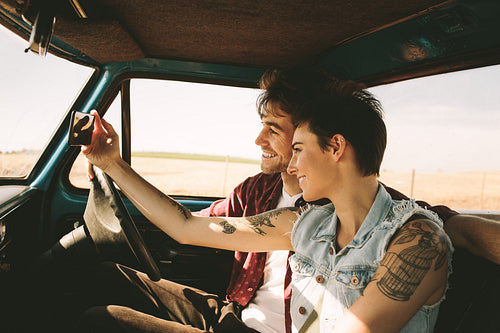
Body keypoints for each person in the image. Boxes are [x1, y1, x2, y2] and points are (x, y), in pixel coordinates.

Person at [79, 68, 454, 332]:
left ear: (336, 147)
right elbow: (186, 226)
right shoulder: (305, 224)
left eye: (299, 149)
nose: (291, 162)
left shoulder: (417, 243)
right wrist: (113, 164)